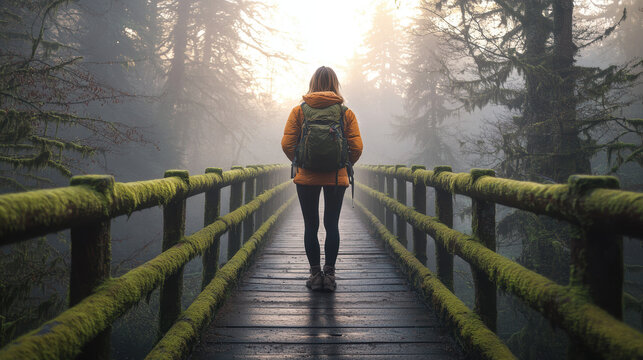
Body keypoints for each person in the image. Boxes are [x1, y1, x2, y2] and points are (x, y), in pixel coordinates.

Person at [281, 66, 363, 291]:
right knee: (332, 224)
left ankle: (315, 275)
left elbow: (287, 144)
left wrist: (301, 161)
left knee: (310, 225)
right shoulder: (345, 113)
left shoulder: (299, 112)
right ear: (334, 84)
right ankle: (330, 275)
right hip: (336, 176)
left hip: (306, 176)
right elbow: (356, 147)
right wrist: (344, 163)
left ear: (312, 83)